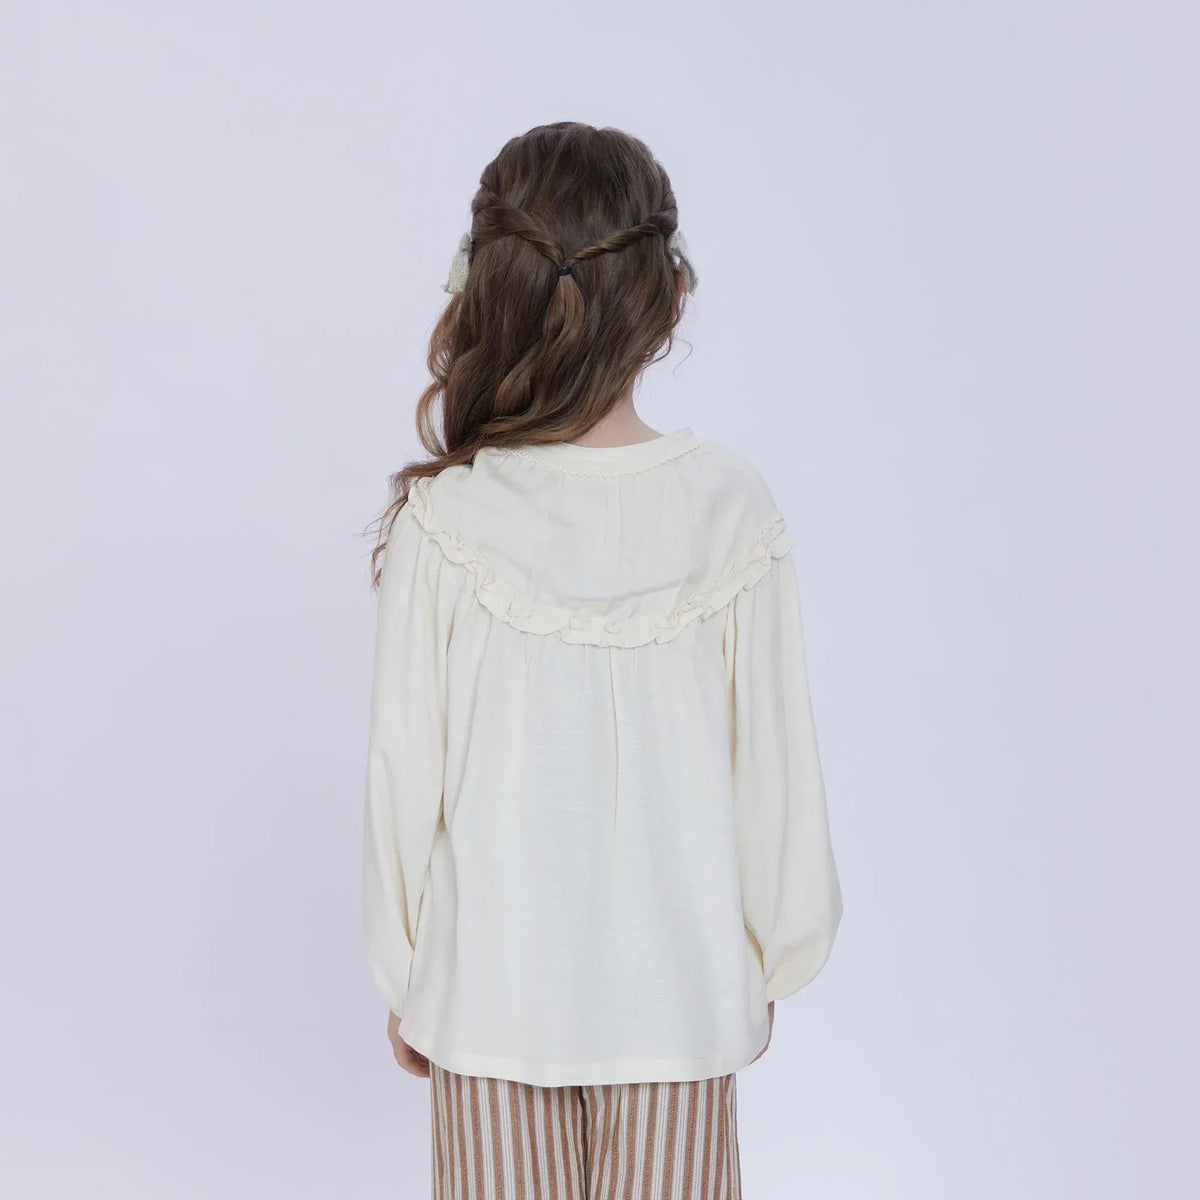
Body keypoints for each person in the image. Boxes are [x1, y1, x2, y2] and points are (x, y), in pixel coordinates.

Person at [360, 121, 843, 1200]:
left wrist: (408, 969)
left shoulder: (450, 518)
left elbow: (403, 775)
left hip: (487, 998)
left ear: (489, 289)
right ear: (669, 294)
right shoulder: (729, 506)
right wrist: (771, 953)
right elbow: (775, 766)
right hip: (678, 997)